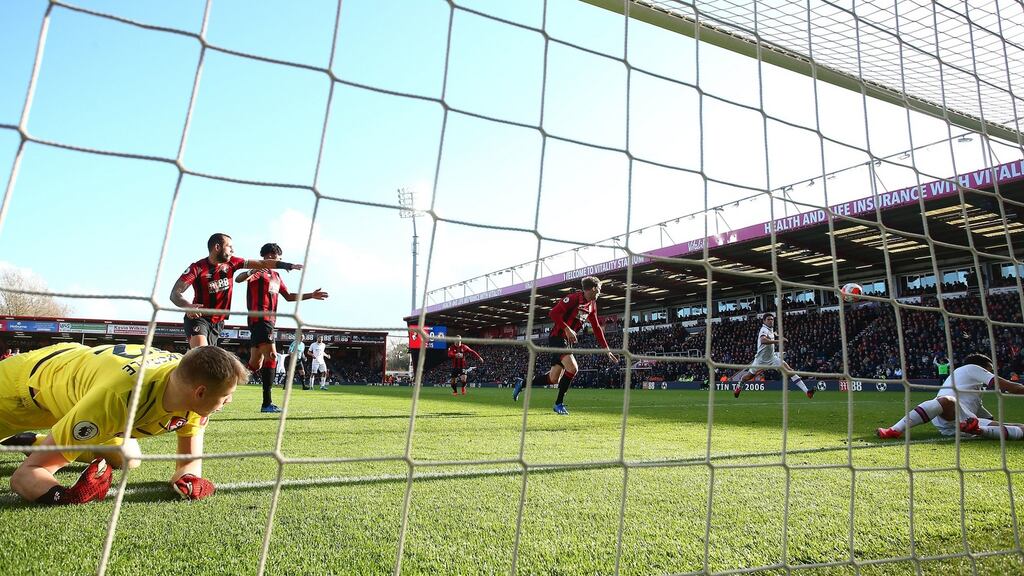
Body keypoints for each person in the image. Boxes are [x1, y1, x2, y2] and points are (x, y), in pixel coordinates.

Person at [0, 343, 245, 504]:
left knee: (127, 456)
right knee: (43, 462)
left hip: (74, 380)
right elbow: (25, 477)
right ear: (200, 392)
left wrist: (189, 481)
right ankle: (37, 444)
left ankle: (31, 441)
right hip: (19, 392)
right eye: (225, 397)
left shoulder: (189, 383)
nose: (229, 401)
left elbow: (188, 465)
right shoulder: (115, 399)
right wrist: (67, 496)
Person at [235, 243, 328, 412]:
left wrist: (311, 296)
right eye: (273, 257)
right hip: (260, 318)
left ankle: (227, 380)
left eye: (277, 258)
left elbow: (289, 296)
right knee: (272, 357)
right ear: (266, 257)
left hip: (268, 321)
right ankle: (266, 403)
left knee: (255, 364)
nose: (275, 260)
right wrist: (251, 271)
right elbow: (239, 278)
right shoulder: (259, 271)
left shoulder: (276, 276)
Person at [169, 233, 303, 349]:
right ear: (217, 247)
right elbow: (175, 294)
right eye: (230, 247)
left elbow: (263, 263)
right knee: (203, 355)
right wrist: (188, 307)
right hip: (199, 318)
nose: (233, 250)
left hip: (218, 322)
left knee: (205, 362)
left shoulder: (233, 262)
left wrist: (287, 265)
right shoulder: (197, 268)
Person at [512, 276, 617, 415]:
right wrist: (567, 329)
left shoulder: (592, 305)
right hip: (557, 337)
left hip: (566, 342)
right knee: (573, 368)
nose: (599, 292)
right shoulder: (573, 298)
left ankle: (523, 383)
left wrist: (607, 349)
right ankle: (558, 404)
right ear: (592, 288)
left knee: (553, 379)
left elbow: (596, 327)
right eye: (599, 289)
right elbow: (553, 313)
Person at [877, 353, 1024, 440]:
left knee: (1020, 428)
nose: (991, 372)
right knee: (948, 400)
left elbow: (981, 413)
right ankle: (894, 430)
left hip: (960, 425)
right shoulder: (971, 368)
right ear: (981, 367)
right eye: (990, 370)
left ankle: (978, 430)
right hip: (947, 413)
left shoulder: (974, 390)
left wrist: (994, 423)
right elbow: (1010, 387)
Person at [731, 313, 813, 399]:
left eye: (772, 319)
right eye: (768, 319)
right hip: (760, 360)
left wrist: (777, 335)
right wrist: (778, 341)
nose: (771, 321)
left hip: (772, 359)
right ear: (764, 321)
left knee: (789, 370)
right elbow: (763, 340)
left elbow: (773, 334)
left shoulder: (770, 330)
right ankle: (739, 386)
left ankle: (807, 391)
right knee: (748, 377)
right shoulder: (764, 329)